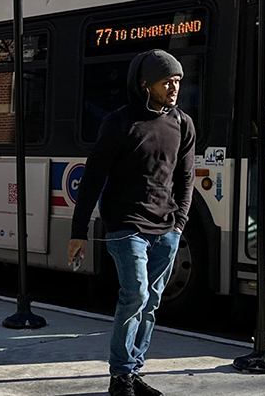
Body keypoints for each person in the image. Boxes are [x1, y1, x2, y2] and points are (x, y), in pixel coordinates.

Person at [67, 49, 196, 396]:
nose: (174, 87)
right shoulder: (120, 122)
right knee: (134, 294)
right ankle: (119, 377)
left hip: (166, 229)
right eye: (166, 81)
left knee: (152, 302)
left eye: (178, 81)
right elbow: (93, 177)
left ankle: (134, 372)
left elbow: (186, 179)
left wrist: (179, 225)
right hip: (126, 226)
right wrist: (78, 232)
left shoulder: (183, 124)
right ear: (145, 84)